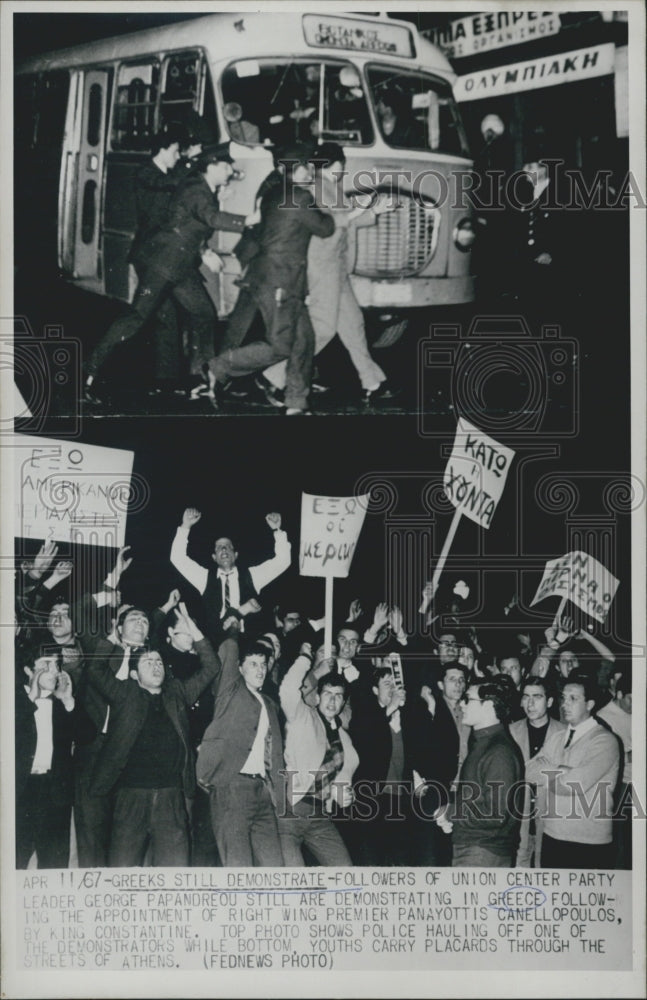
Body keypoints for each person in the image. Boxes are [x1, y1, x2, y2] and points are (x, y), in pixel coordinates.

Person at [84, 142, 257, 404]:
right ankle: (88, 372)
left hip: (179, 266)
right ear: (211, 167)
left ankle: (202, 378)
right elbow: (210, 218)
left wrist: (204, 251)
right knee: (136, 317)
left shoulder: (202, 188)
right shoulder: (196, 190)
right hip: (161, 265)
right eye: (225, 166)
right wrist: (247, 220)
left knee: (203, 313)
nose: (230, 170)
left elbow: (188, 224)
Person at [257, 142, 398, 406]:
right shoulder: (318, 186)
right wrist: (366, 209)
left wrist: (371, 211)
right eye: (340, 165)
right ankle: (274, 377)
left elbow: (346, 218)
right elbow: (332, 222)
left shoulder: (329, 186)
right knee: (323, 327)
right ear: (334, 164)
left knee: (353, 324)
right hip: (322, 266)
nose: (342, 170)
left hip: (336, 265)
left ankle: (372, 381)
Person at [87, 606, 220, 866]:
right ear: (135, 674)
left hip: (172, 799)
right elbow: (95, 671)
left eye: (158, 661)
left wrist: (194, 630)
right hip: (131, 798)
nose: (156, 665)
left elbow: (211, 666)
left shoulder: (177, 692)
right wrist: (112, 638)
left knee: (175, 874)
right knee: (123, 873)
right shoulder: (124, 693)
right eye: (148, 662)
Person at [208, 142, 335, 415]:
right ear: (296, 169)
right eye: (306, 165)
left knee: (304, 340)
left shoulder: (274, 192)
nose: (311, 169)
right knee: (280, 346)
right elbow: (325, 228)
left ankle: (296, 402)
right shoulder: (300, 197)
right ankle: (218, 367)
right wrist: (329, 210)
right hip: (280, 281)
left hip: (276, 277)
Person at [74, 605, 152, 867]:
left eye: (145, 620)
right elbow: (79, 611)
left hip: (132, 753)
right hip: (94, 748)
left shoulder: (153, 662)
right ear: (118, 628)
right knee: (91, 832)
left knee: (127, 836)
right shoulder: (103, 649)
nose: (140, 622)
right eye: (133, 618)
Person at [197, 636, 285, 866]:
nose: (260, 669)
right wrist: (235, 623)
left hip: (263, 792)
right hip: (233, 788)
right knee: (238, 867)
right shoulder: (230, 692)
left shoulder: (270, 704)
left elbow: (276, 756)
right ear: (239, 669)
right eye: (253, 664)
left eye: (264, 664)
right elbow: (229, 646)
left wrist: (280, 798)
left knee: (275, 868)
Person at [127, 125, 202, 393]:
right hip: (150, 255)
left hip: (163, 255)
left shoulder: (165, 175)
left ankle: (166, 381)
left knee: (168, 317)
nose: (176, 156)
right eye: (174, 151)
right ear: (162, 150)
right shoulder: (147, 173)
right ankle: (166, 380)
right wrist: (191, 161)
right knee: (161, 316)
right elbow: (170, 184)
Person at [526, 671, 620, 869]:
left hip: (590, 842)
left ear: (590, 704)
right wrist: (565, 771)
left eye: (573, 698)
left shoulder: (605, 741)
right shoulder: (557, 737)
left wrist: (550, 768)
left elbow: (575, 785)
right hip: (552, 836)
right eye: (563, 698)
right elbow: (529, 772)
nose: (564, 704)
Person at [279, 646, 358, 865]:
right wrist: (305, 658)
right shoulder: (302, 716)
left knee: (345, 873)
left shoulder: (344, 737)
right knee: (295, 881)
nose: (332, 701)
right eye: (327, 694)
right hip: (291, 812)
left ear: (343, 703)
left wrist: (342, 792)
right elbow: (287, 690)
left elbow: (344, 771)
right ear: (316, 697)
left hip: (320, 816)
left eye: (338, 697)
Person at [170, 507, 291, 642]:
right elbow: (177, 558)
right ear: (214, 557)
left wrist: (277, 530)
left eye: (228, 546)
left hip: (246, 640)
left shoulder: (252, 576)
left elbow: (283, 561)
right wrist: (185, 526)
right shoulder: (204, 578)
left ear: (236, 555)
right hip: (216, 641)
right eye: (219, 547)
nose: (223, 549)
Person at [441, 675, 524, 867]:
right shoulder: (484, 743)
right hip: (475, 847)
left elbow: (494, 813)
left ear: (488, 706)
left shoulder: (499, 751)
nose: (462, 704)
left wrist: (450, 812)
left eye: (468, 699)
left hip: (483, 852)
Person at [15, 655, 79, 868]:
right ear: (28, 671)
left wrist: (68, 701)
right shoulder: (13, 700)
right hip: (21, 790)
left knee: (54, 862)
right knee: (14, 857)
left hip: (54, 791)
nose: (53, 671)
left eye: (56, 665)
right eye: (45, 665)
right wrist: (30, 698)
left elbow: (87, 735)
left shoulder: (61, 702)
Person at [350, 665, 410, 864]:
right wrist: (390, 708)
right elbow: (363, 737)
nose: (393, 688)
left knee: (400, 859)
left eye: (395, 684)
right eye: (387, 684)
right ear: (375, 690)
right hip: (373, 798)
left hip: (401, 798)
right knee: (372, 859)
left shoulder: (409, 715)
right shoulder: (364, 714)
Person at [509, 677, 565, 866]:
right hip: (519, 818)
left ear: (549, 702)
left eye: (537, 697)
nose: (530, 703)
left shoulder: (565, 733)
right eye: (526, 697)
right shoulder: (510, 732)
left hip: (552, 820)